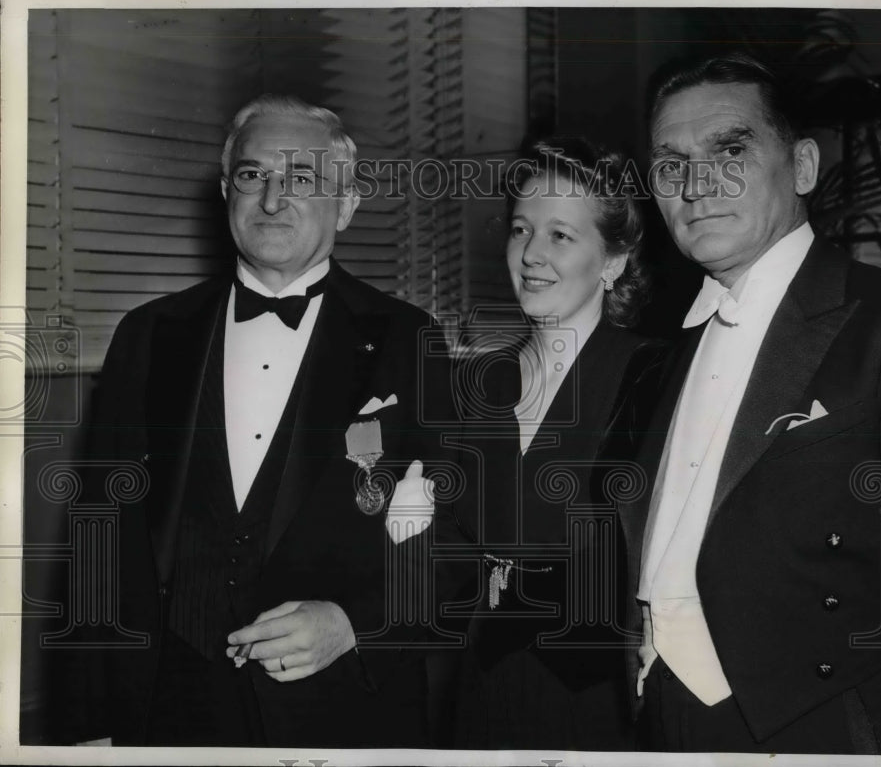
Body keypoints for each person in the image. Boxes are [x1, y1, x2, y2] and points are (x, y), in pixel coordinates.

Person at [603, 53, 881, 754]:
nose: (696, 184)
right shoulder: (659, 351)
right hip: (661, 714)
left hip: (824, 725)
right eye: (670, 163)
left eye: (730, 150)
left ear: (802, 167)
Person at [59, 94, 455, 747]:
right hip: (169, 708)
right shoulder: (149, 334)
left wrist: (355, 624)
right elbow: (97, 538)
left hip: (341, 712)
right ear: (225, 192)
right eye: (252, 175)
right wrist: (91, 723)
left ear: (347, 204)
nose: (272, 199)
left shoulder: (410, 341)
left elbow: (459, 537)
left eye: (301, 178)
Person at [449, 137, 664, 750]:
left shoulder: (653, 378)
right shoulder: (476, 383)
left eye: (560, 236)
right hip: (479, 686)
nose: (531, 254)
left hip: (600, 700)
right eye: (521, 229)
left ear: (613, 261)